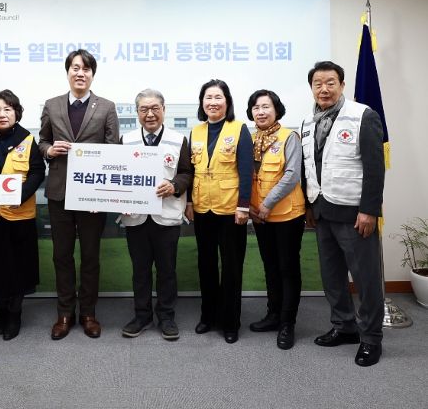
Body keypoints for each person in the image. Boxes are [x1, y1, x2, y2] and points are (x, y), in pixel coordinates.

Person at [301, 61, 385, 367]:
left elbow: (375, 168)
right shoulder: (307, 122)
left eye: (330, 82)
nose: (324, 89)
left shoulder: (363, 115)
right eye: (318, 84)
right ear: (312, 88)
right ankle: (344, 326)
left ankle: (371, 338)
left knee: (366, 279)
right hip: (322, 211)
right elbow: (308, 166)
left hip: (354, 214)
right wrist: (309, 206)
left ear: (342, 85)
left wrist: (369, 210)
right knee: (332, 277)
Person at [38, 49, 119, 340]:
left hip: (92, 194)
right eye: (75, 68)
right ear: (68, 72)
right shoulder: (52, 105)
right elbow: (42, 140)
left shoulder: (106, 107)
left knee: (90, 256)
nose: (80, 73)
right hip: (59, 191)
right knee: (61, 255)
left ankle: (88, 313)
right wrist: (49, 150)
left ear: (92, 74)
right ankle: (65, 313)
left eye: (86, 69)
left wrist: (103, 195)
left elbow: (113, 150)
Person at [119, 89, 193, 341]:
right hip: (136, 217)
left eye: (154, 108)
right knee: (140, 270)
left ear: (164, 110)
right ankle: (142, 316)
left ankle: (166, 316)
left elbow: (187, 173)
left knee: (167, 270)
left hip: (166, 215)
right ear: (137, 112)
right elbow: (118, 174)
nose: (149, 114)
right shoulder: (126, 140)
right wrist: (120, 199)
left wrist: (174, 186)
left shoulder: (178, 140)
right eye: (144, 109)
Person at [185, 79, 253, 344]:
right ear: (202, 103)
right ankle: (208, 316)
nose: (213, 102)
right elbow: (190, 171)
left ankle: (230, 322)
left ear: (227, 101)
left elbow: (246, 171)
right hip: (202, 207)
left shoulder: (239, 129)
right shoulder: (196, 131)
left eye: (218, 97)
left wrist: (244, 206)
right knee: (206, 265)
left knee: (232, 268)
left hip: (230, 210)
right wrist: (189, 203)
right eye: (208, 98)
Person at [0, 89, 45, 341]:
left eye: (7, 109)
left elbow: (37, 172)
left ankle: (15, 313)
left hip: (19, 216)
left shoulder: (27, 139)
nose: (2, 114)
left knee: (19, 267)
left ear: (16, 113)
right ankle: (2, 310)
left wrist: (20, 195)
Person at [246, 89, 306, 350]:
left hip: (287, 215)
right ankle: (273, 315)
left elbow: (292, 175)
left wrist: (266, 204)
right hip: (260, 216)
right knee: (270, 266)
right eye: (256, 107)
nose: (261, 112)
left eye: (266, 107)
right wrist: (250, 207)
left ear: (276, 110)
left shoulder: (288, 137)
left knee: (287, 269)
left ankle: (287, 323)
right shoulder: (250, 140)